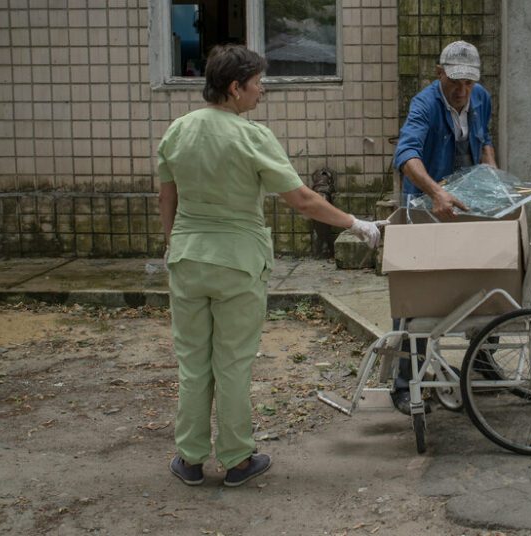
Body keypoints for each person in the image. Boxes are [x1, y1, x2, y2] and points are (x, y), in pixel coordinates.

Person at [157, 44, 382, 487]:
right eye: (258, 83)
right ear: (235, 87)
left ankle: (190, 458)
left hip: (187, 259)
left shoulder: (177, 130)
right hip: (238, 263)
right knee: (233, 364)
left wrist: (173, 245)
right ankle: (238, 459)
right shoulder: (251, 136)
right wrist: (355, 223)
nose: (262, 91)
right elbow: (301, 199)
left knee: (192, 362)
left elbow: (167, 197)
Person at [388, 40, 497, 414]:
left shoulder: (481, 97)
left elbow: (485, 142)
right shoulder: (424, 105)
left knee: (490, 277)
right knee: (416, 294)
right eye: (455, 82)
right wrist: (435, 191)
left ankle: (482, 357)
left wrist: (492, 173)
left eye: (468, 83)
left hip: (468, 203)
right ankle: (404, 383)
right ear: (440, 74)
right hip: (426, 205)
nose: (462, 91)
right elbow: (405, 155)